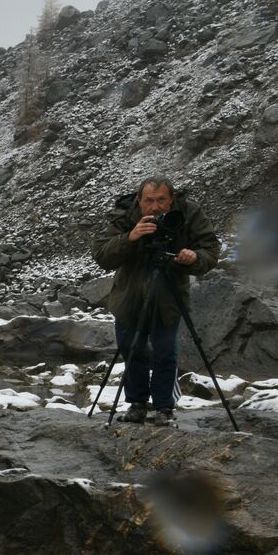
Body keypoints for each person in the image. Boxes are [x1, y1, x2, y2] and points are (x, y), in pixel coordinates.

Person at [91, 177, 221, 424]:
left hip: (168, 295)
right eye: (149, 201)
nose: (155, 206)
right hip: (130, 295)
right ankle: (137, 404)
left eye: (161, 200)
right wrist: (130, 237)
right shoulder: (125, 216)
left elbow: (211, 249)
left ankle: (164, 408)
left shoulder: (189, 213)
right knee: (131, 350)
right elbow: (101, 255)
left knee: (165, 352)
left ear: (171, 199)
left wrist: (194, 257)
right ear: (139, 201)